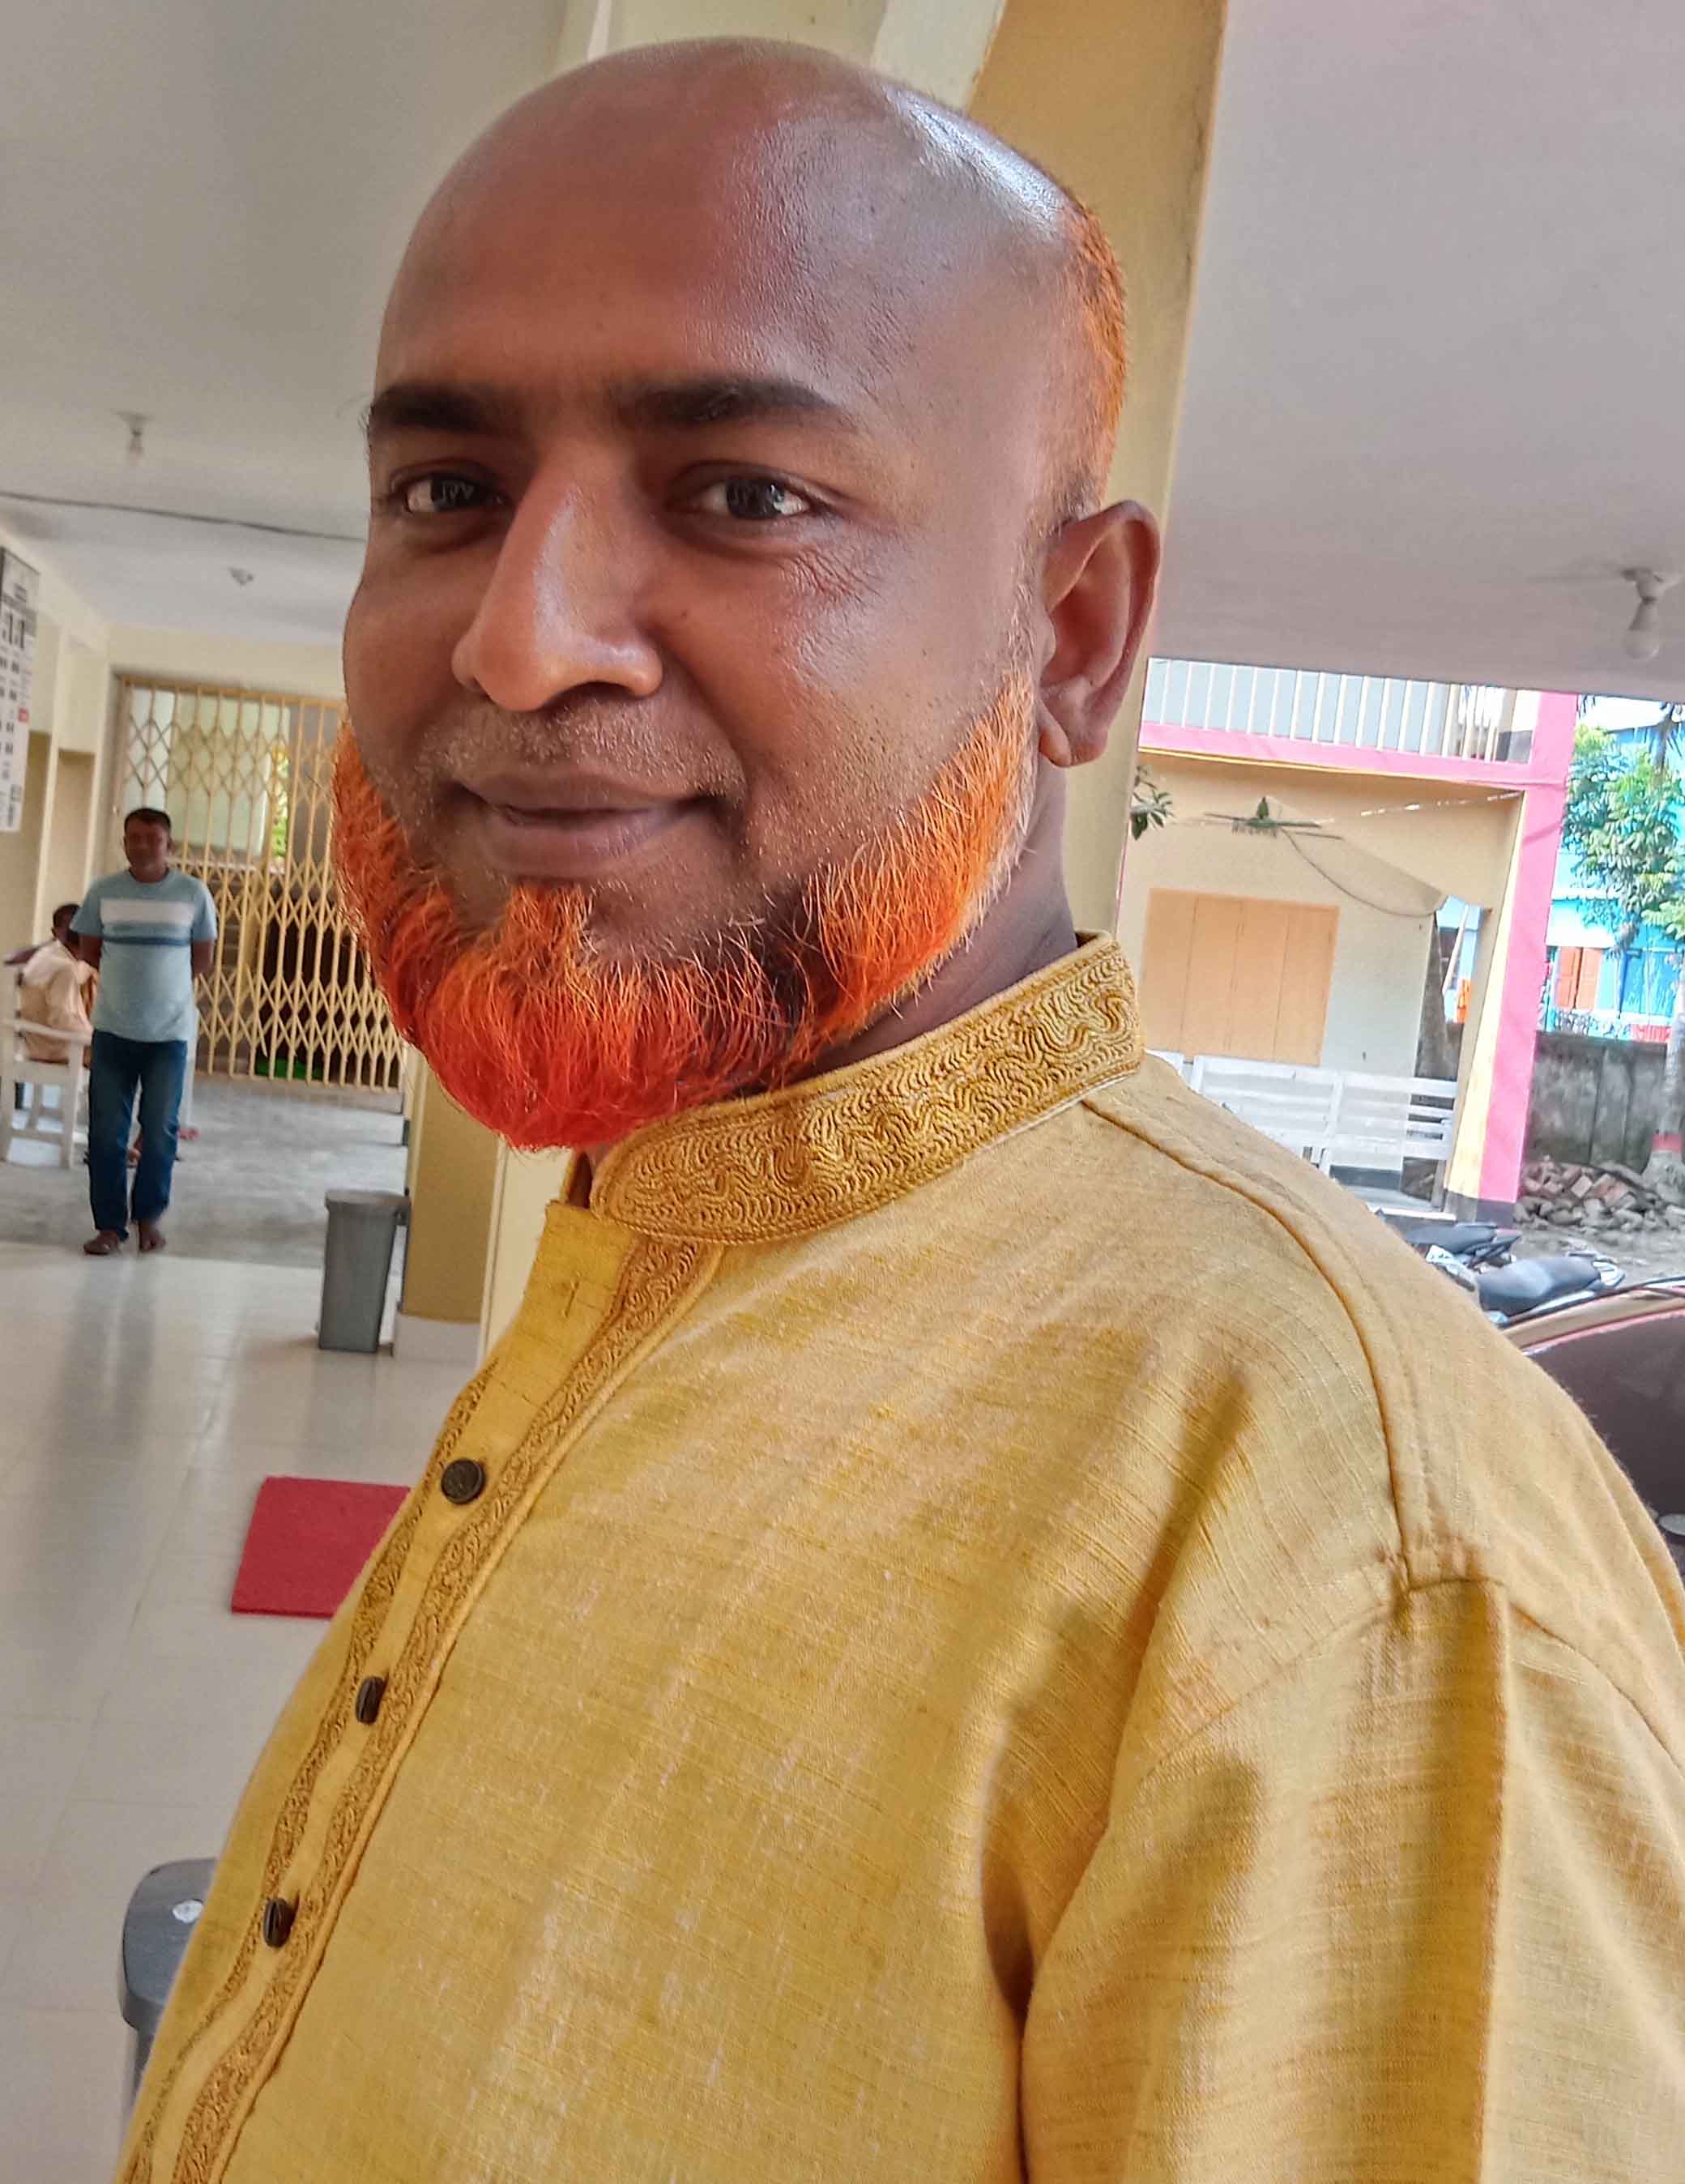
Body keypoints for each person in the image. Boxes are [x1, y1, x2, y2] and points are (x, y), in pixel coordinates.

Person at [120, 44, 1685, 2184]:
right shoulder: (663, 1229)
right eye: (448, 492)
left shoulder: (1354, 1544)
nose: (516, 642)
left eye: (745, 495)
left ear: (1073, 635)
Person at [74, 806, 215, 1255]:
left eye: (153, 839)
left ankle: (149, 1218)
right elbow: (90, 950)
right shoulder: (103, 892)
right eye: (134, 837)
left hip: (168, 1036)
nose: (143, 846)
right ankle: (109, 1227)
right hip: (113, 1031)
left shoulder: (193, 894)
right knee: (106, 1133)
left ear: (169, 845)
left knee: (160, 1132)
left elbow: (202, 959)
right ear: (124, 843)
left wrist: (161, 988)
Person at [16, 900, 95, 1062]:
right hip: (52, 1046)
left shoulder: (49, 955)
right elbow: (60, 1019)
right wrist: (93, 1036)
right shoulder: (65, 969)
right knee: (118, 1054)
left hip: (35, 1039)